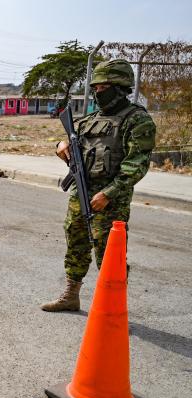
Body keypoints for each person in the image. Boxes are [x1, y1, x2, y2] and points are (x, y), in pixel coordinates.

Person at [41, 59, 156, 312]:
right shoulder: (89, 120)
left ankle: (113, 307)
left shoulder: (137, 120)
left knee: (109, 253)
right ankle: (71, 295)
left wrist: (109, 193)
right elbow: (76, 149)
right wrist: (61, 147)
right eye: (95, 88)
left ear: (120, 87)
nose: (97, 92)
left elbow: (137, 164)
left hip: (111, 200)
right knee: (76, 242)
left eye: (103, 88)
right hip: (81, 192)